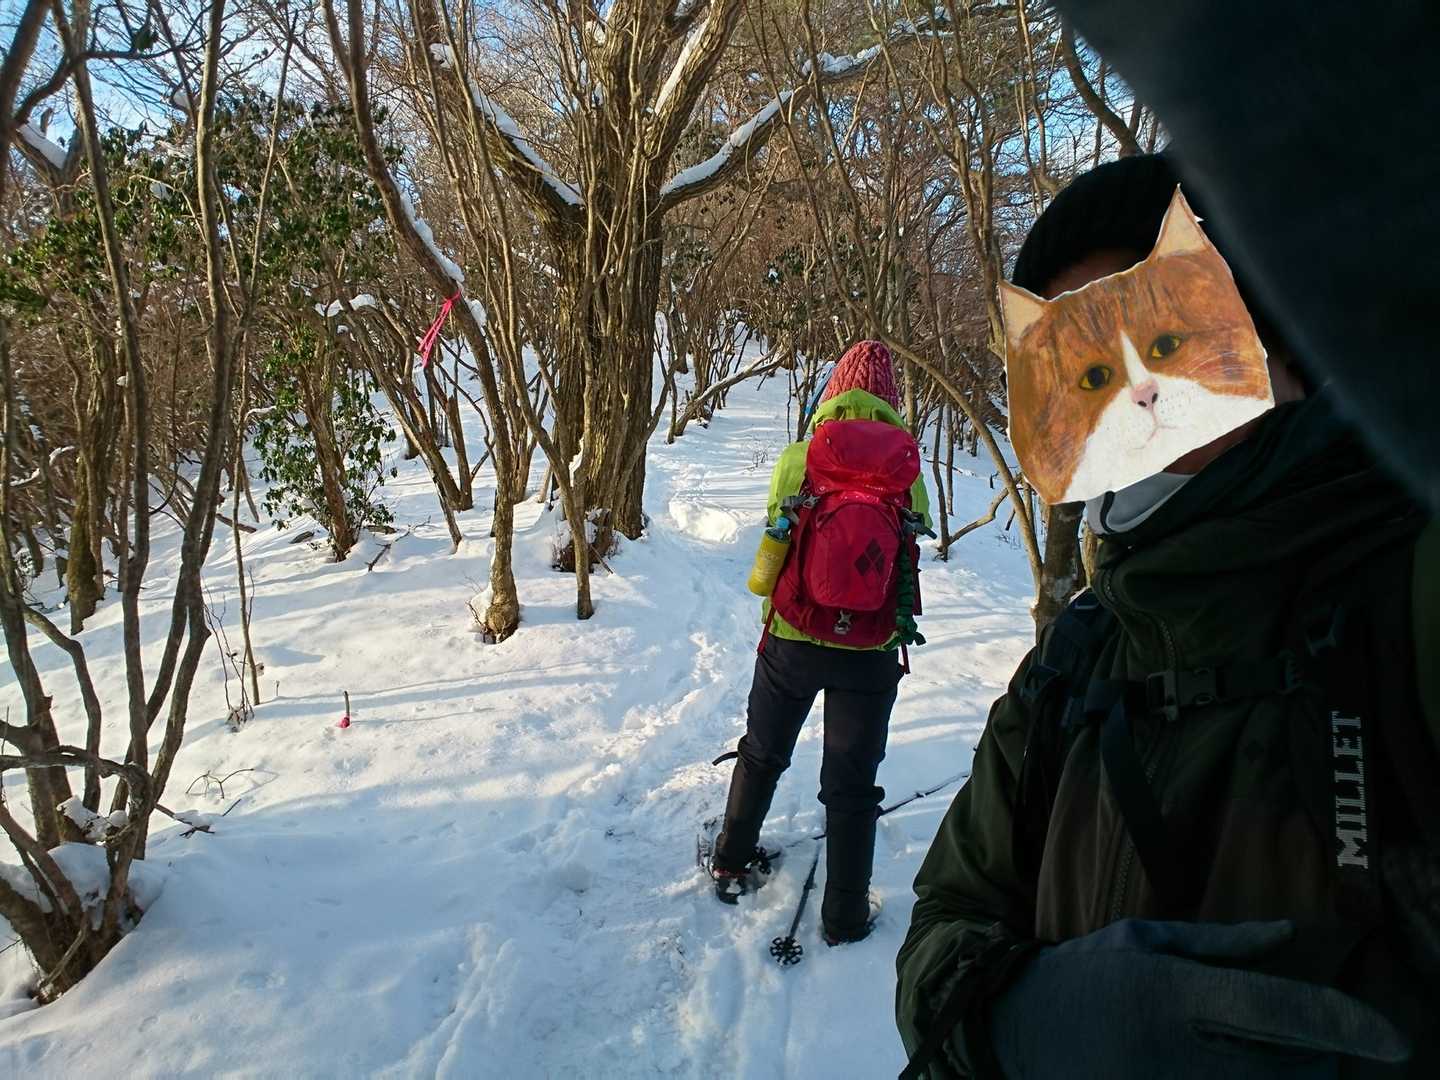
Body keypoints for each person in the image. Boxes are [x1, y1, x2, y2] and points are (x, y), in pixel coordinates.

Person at [894, 156, 1439, 1078]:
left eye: (1170, 336)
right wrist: (1014, 1022)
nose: (1138, 398)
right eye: (1088, 374)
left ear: (1274, 337)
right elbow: (949, 916)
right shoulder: (1074, 662)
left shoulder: (1408, 598)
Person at [707, 340, 932, 946]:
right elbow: (919, 535)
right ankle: (845, 917)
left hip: (793, 635)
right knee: (853, 784)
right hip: (873, 647)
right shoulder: (906, 463)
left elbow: (775, 528)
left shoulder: (800, 456)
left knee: (763, 752)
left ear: (833, 390)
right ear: (889, 398)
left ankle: (730, 859)